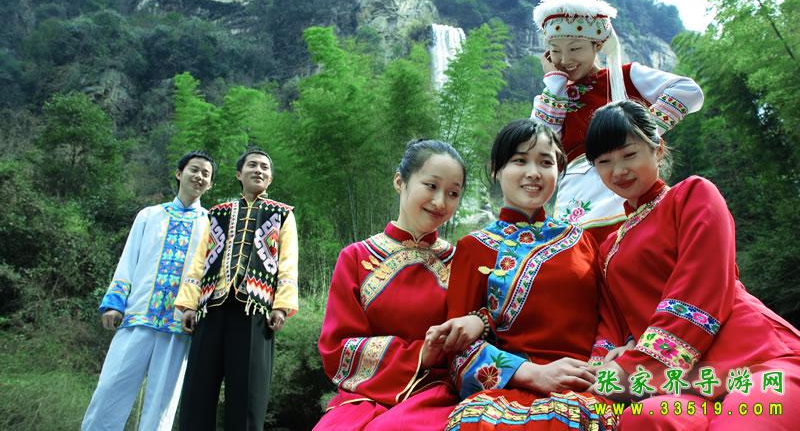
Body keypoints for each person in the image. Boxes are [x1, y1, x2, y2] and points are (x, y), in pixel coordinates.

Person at [584, 100, 800, 430]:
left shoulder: (692, 195)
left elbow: (701, 287)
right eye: (604, 162)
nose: (618, 171)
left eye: (629, 155)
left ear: (657, 149)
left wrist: (632, 366)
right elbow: (613, 321)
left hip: (754, 356)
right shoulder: (609, 246)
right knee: (643, 418)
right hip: (683, 381)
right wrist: (601, 365)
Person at [427, 119, 617, 430]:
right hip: (508, 387)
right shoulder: (473, 247)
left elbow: (610, 319)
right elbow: (458, 350)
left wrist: (597, 370)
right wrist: (532, 374)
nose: (533, 172)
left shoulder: (581, 240)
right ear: (496, 170)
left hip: (584, 383)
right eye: (519, 160)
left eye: (546, 162)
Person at [314, 139, 467, 430]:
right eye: (431, 186)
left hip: (439, 392)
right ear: (400, 181)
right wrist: (420, 354)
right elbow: (338, 348)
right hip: (365, 396)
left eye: (453, 193)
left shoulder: (461, 261)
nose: (440, 202)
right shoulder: (356, 257)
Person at [531, 0, 704, 245]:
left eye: (575, 48)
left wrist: (639, 132)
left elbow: (689, 91)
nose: (565, 60)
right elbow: (538, 142)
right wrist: (555, 83)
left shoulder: (626, 76)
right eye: (555, 51)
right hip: (577, 195)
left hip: (628, 180)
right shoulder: (552, 96)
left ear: (598, 45)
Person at [82, 151, 215, 431]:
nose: (199, 176)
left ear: (210, 184)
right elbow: (128, 258)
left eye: (206, 174)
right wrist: (115, 303)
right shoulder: (149, 215)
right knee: (109, 390)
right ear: (179, 173)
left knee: (161, 407)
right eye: (194, 170)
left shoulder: (212, 224)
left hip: (178, 326)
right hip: (137, 316)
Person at [175, 147, 298, 430]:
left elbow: (288, 261)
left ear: (270, 178)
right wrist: (189, 304)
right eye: (252, 165)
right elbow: (199, 260)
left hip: (255, 310)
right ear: (238, 174)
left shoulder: (282, 214)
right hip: (210, 308)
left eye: (265, 167)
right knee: (197, 391)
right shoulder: (217, 213)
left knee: (248, 397)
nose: (259, 170)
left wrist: (281, 305)